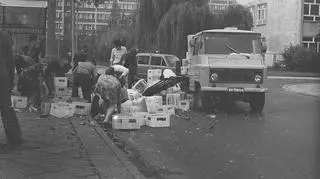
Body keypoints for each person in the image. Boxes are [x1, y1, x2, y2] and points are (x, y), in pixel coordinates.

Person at [0, 31, 23, 145]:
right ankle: (14, 138)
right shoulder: (4, 36)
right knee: (6, 107)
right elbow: (10, 60)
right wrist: (10, 80)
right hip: (2, 77)